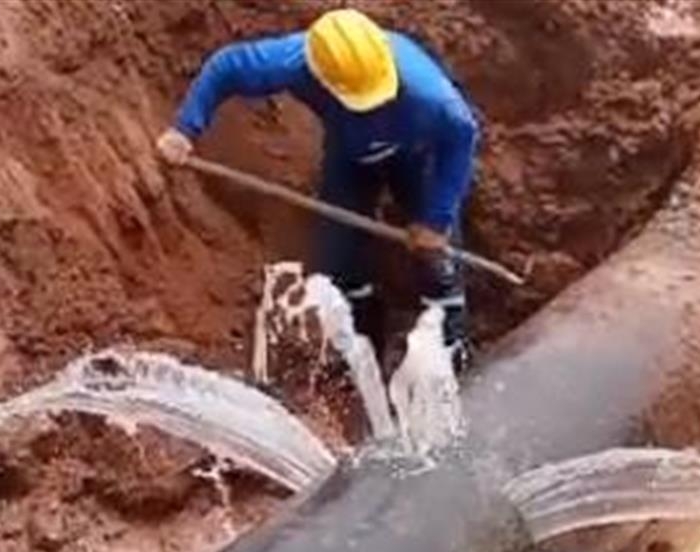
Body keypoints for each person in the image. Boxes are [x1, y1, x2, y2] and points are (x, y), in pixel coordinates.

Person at [157, 7, 479, 372]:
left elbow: (461, 135)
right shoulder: (294, 61)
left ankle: (452, 348)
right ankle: (364, 348)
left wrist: (435, 220)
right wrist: (185, 129)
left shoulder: (429, 94)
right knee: (338, 259)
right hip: (351, 156)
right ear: (323, 78)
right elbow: (226, 68)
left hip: (419, 155)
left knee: (436, 260)